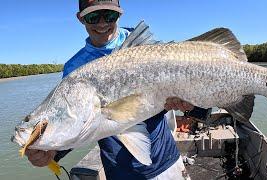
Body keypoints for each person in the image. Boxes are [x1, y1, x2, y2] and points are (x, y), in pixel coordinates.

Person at [25, 0, 198, 179]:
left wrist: (190, 103)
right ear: (80, 18)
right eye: (93, 17)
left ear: (120, 14)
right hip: (118, 170)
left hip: (164, 160)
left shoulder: (147, 49)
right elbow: (78, 122)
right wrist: (52, 152)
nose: (102, 24)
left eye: (109, 15)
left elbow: (185, 89)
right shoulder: (73, 69)